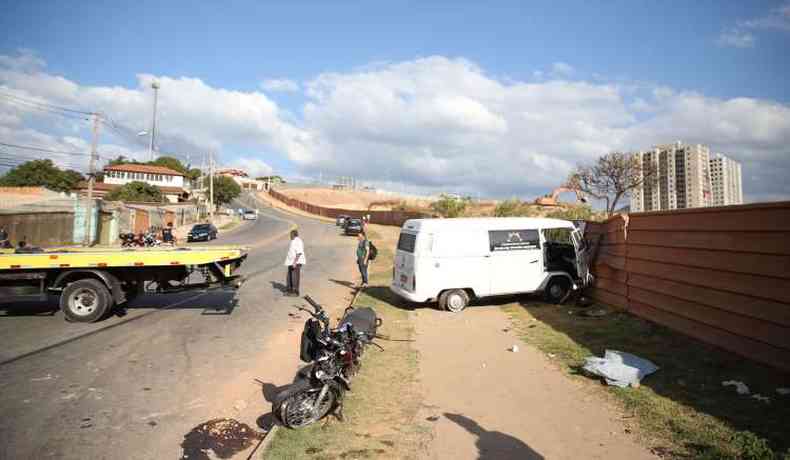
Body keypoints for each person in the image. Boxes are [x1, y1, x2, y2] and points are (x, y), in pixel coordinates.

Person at [284, 229, 306, 297]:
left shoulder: (298, 241)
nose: (290, 236)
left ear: (294, 234)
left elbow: (299, 252)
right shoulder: (293, 241)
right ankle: (289, 290)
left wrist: (295, 262)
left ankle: (295, 292)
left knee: (294, 277)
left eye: (291, 235)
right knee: (289, 276)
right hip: (291, 262)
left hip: (296, 262)